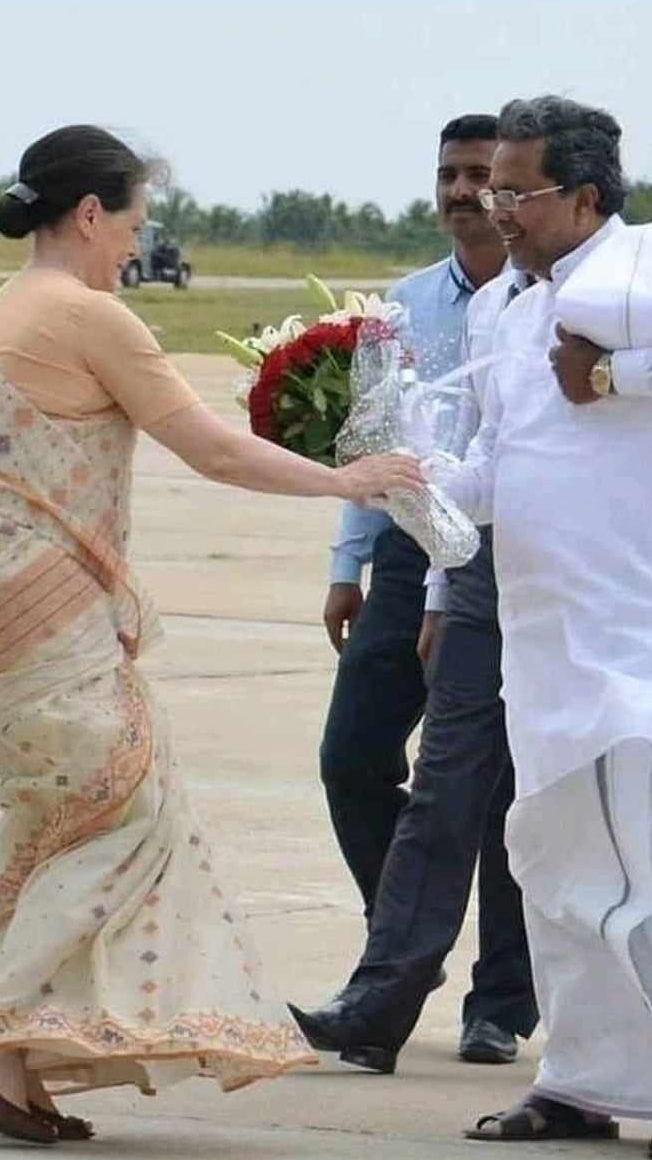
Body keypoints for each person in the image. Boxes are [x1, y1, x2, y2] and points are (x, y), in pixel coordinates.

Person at [0, 124, 423, 1147]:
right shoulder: (91, 314)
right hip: (55, 610)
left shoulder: (12, 302)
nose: (132, 247)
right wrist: (343, 479)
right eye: (132, 223)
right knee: (118, 809)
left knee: (28, 826)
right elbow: (208, 448)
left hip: (18, 600)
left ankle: (19, 1071)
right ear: (92, 213)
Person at [423, 96, 652, 1148]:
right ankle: (581, 1082)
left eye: (518, 189)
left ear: (588, 196)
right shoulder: (504, 309)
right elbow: (492, 473)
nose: (494, 206)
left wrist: (613, 372)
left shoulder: (637, 271)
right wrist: (398, 477)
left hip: (626, 644)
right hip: (539, 645)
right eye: (489, 186)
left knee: (636, 881)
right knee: (554, 869)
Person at [291, 115, 536, 1071]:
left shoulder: (541, 296)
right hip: (408, 559)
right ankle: (403, 942)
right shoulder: (400, 304)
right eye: (449, 174)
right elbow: (370, 442)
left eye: (481, 174)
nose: (462, 191)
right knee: (354, 757)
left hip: (508, 558)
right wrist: (347, 565)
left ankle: (499, 1003)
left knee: (499, 787)